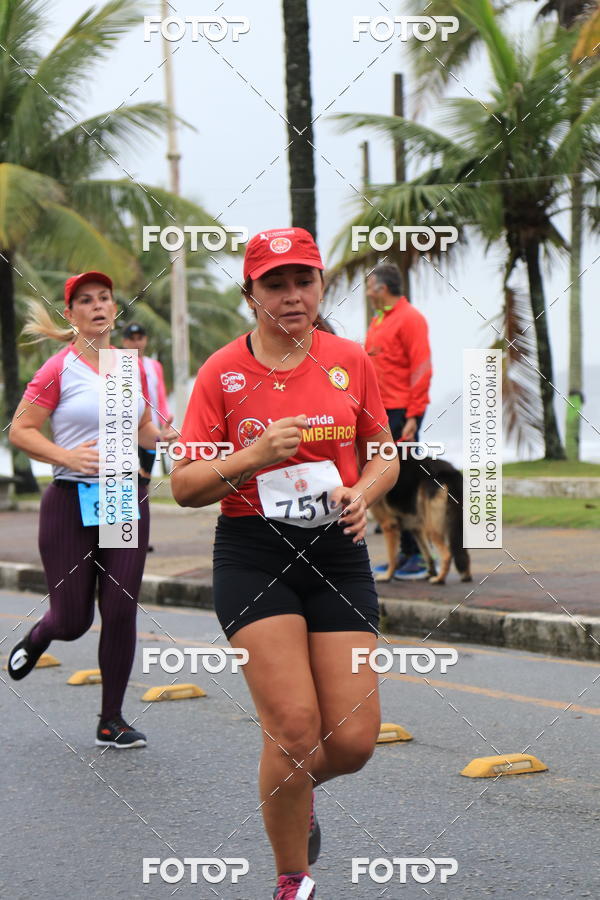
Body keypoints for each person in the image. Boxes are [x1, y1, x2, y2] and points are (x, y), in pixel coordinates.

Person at [171, 227, 399, 900]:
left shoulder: (351, 361)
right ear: (251, 295)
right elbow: (185, 485)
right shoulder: (221, 373)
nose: (292, 296)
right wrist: (252, 456)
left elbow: (385, 452)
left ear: (321, 286)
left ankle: (294, 788)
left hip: (339, 552)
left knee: (355, 742)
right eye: (275, 284)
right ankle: (292, 880)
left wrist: (363, 491)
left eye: (304, 281)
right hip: (254, 553)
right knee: (295, 727)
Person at [7, 272, 177, 748]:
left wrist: (162, 436)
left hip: (123, 496)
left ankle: (112, 719)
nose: (99, 306)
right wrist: (65, 456)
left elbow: (142, 427)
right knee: (73, 621)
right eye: (86, 300)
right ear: (72, 314)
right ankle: (41, 635)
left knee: (120, 608)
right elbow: (21, 431)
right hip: (68, 501)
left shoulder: (130, 368)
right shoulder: (57, 369)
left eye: (105, 297)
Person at [365, 264, 433, 580]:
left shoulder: (411, 318)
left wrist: (414, 416)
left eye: (369, 287)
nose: (366, 293)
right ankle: (402, 554)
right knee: (387, 484)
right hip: (379, 413)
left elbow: (421, 368)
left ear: (382, 289)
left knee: (404, 483)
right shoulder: (379, 320)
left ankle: (417, 556)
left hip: (401, 413)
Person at [122, 322, 173, 480]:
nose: (136, 343)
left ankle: (143, 502)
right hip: (128, 428)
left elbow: (160, 397)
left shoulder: (154, 366)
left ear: (145, 340)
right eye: (132, 339)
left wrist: (165, 424)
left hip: (150, 427)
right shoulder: (117, 364)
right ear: (125, 342)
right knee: (129, 473)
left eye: (140, 338)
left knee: (146, 475)